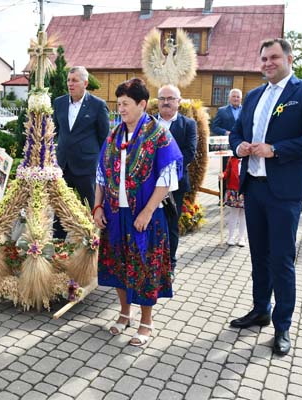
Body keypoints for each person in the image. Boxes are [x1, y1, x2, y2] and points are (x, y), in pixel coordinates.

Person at [228, 38, 302, 356]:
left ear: (289, 59)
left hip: (284, 191)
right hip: (254, 187)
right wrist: (239, 146)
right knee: (259, 256)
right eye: (263, 59)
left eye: (274, 57)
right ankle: (261, 310)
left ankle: (282, 326)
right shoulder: (254, 96)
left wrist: (276, 149)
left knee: (281, 259)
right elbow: (236, 132)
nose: (268, 63)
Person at [93, 78, 183, 347]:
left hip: (145, 216)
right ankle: (124, 313)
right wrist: (97, 206)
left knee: (145, 268)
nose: (120, 109)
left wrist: (147, 212)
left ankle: (146, 322)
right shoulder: (114, 135)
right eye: (118, 104)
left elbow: (167, 178)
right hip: (115, 213)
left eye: (126, 104)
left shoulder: (158, 135)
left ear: (142, 104)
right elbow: (101, 174)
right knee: (118, 264)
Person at [53, 66, 110, 209]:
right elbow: (56, 130)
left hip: (86, 167)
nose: (70, 84)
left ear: (85, 83)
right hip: (63, 166)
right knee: (60, 209)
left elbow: (104, 137)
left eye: (74, 80)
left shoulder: (98, 105)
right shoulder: (59, 103)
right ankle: (59, 226)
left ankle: (92, 225)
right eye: (68, 80)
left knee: (91, 207)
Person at [156, 84, 197, 270]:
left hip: (175, 184)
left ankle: (169, 264)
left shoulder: (188, 124)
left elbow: (189, 152)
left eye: (170, 98)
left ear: (178, 102)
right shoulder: (148, 122)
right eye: (162, 98)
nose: (166, 102)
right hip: (149, 183)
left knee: (171, 224)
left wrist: (166, 172)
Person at [212, 88, 242, 201]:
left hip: (241, 145)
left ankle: (239, 197)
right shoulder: (222, 111)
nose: (236, 98)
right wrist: (225, 132)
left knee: (239, 171)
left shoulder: (246, 110)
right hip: (226, 145)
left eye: (238, 97)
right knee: (224, 171)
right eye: (233, 96)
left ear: (241, 99)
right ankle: (222, 197)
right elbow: (214, 127)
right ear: (229, 98)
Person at [221, 156, 246, 247]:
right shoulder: (232, 159)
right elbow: (227, 172)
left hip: (245, 190)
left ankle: (241, 238)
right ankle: (230, 237)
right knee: (233, 214)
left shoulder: (250, 159)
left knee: (243, 215)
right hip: (233, 190)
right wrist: (222, 175)